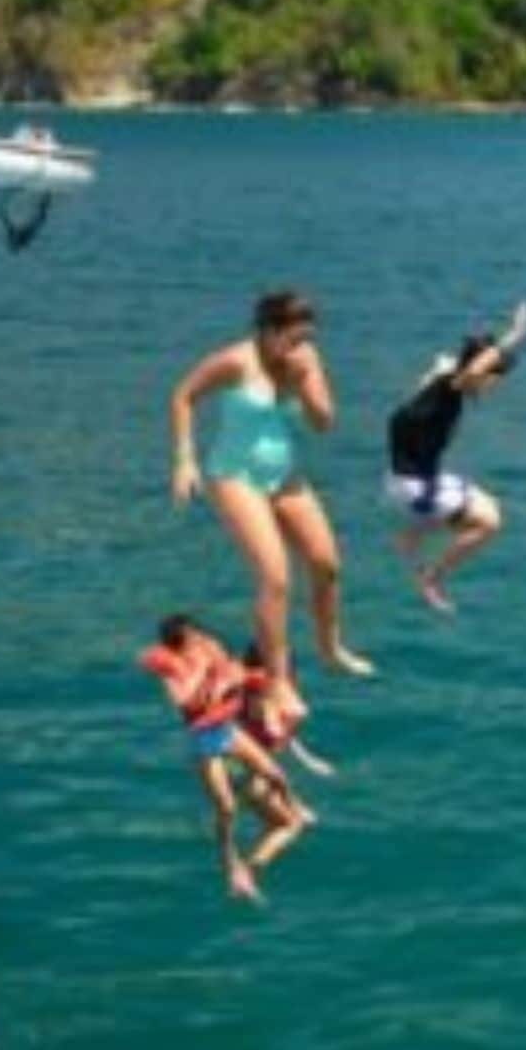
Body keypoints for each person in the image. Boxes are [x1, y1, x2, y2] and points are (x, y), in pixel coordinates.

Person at [169, 290, 373, 714]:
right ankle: (278, 682)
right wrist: (185, 459)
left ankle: (330, 646)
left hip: (283, 474)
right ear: (268, 331)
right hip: (235, 477)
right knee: (276, 578)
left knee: (326, 564)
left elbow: (324, 423)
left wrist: (303, 383)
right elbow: (184, 396)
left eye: (307, 338)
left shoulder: (306, 361)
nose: (302, 346)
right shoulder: (235, 361)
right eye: (294, 338)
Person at [140, 614, 313, 902]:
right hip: (207, 743)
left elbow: (240, 677)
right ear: (179, 645)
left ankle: (294, 807)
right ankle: (231, 863)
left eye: (197, 634)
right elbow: (185, 701)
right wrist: (208, 677)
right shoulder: (175, 673)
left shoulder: (212, 650)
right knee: (228, 809)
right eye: (190, 638)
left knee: (277, 778)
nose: (198, 640)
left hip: (227, 731)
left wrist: (233, 674)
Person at [384, 300, 526, 615]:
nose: (494, 387)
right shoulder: (454, 387)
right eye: (496, 380)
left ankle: (412, 535)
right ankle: (432, 578)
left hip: (409, 478)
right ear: (481, 373)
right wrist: (516, 334)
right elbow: (474, 368)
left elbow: (451, 367)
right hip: (414, 488)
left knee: (487, 504)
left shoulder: (439, 383)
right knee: (490, 523)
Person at [237, 640, 339, 779]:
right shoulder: (250, 693)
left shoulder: (281, 694)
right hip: (244, 748)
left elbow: (284, 734)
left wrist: (305, 758)